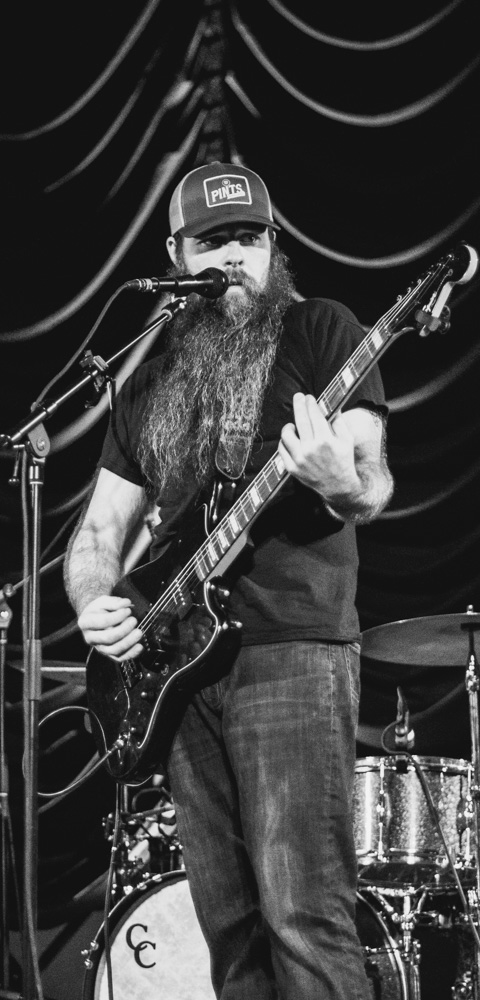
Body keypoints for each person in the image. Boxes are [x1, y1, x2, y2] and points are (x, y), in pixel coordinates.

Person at [64, 160, 394, 999]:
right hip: (176, 673)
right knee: (231, 932)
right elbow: (101, 529)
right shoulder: (150, 378)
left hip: (292, 652)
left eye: (249, 238)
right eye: (213, 242)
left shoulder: (321, 330)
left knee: (304, 914)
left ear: (273, 246)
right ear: (175, 252)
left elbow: (372, 482)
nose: (234, 256)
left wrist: (334, 479)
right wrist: (96, 602)